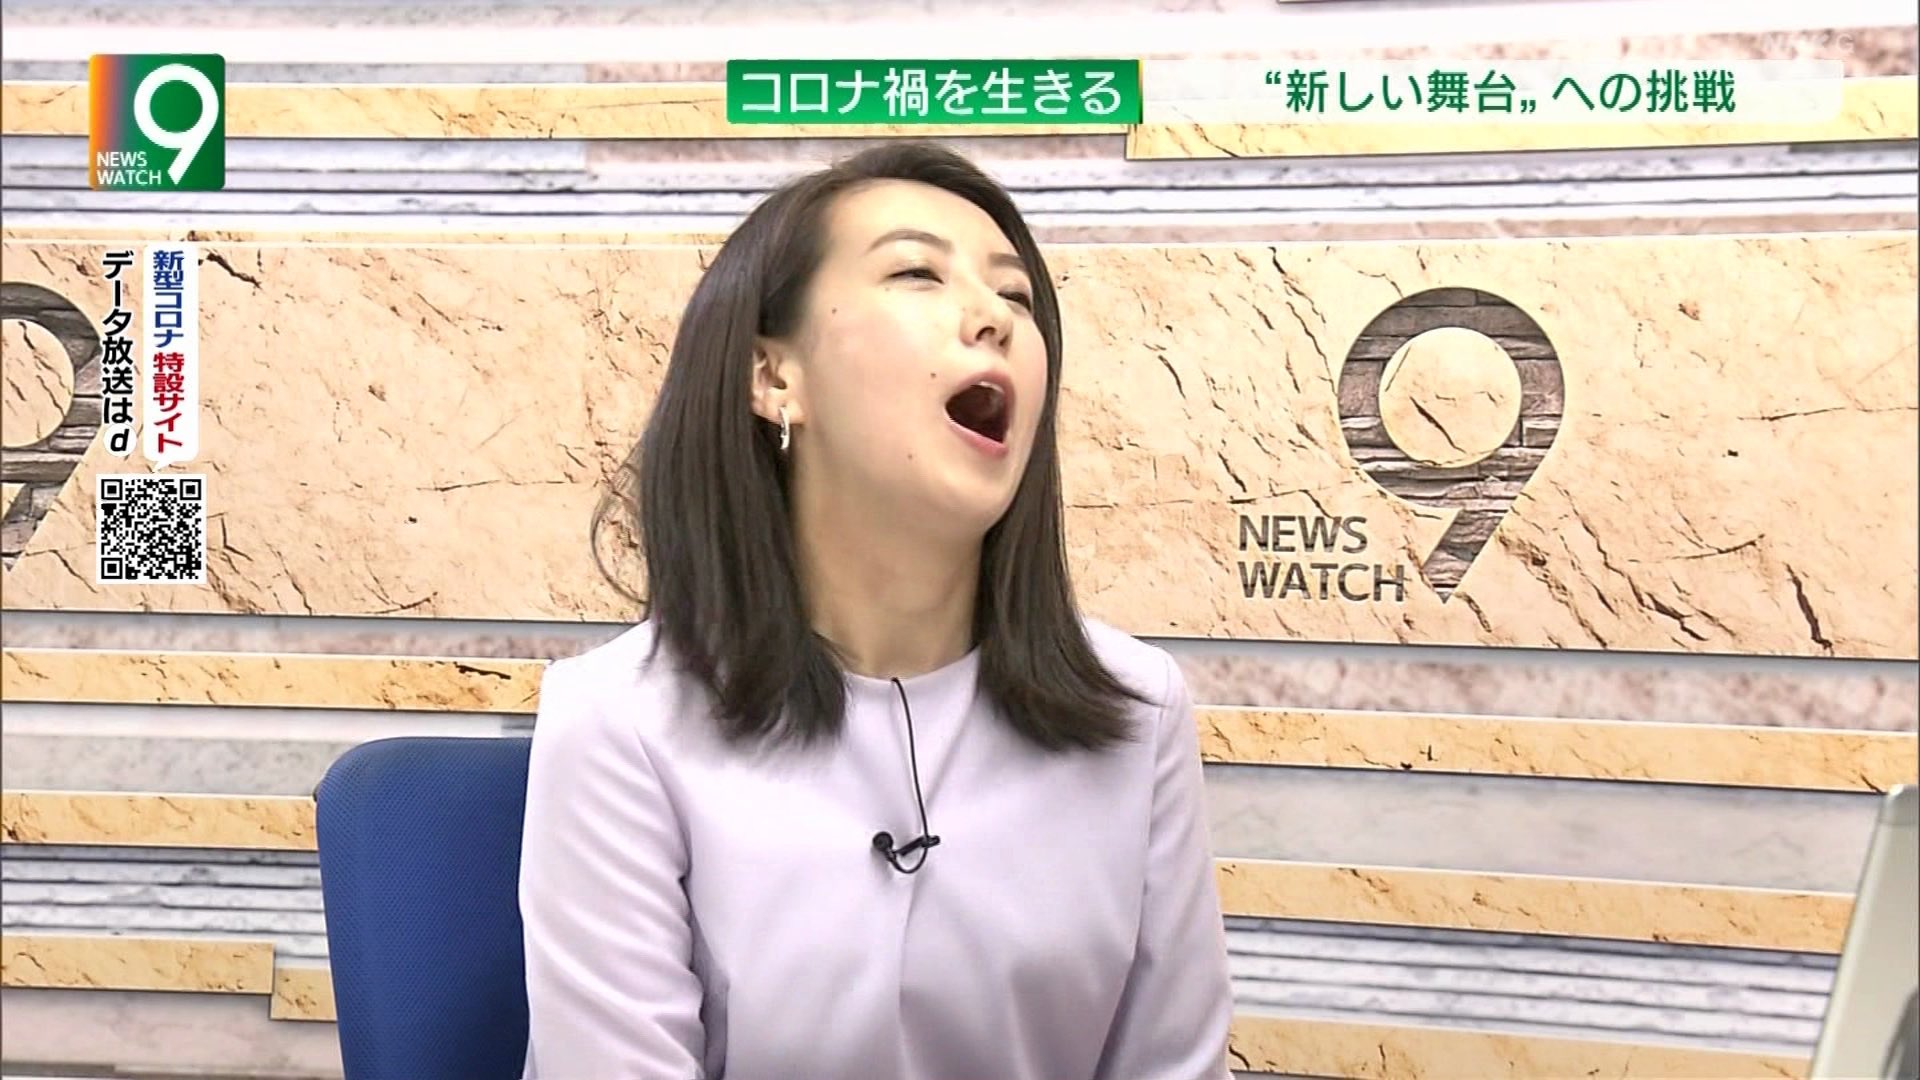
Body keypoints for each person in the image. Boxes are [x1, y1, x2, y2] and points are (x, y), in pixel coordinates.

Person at [518, 141, 1234, 1080]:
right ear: (773, 377)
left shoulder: (1137, 707)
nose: (994, 318)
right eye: (917, 274)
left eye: (1017, 296)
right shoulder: (622, 719)